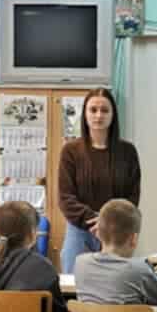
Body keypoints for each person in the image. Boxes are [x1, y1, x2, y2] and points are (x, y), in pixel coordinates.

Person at [57, 88, 141, 273]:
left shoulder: (128, 152)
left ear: (113, 115)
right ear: (85, 114)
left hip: (116, 232)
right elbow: (65, 197)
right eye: (93, 110)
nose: (98, 115)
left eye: (104, 110)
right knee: (74, 283)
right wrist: (95, 221)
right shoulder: (71, 151)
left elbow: (132, 197)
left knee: (113, 284)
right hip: (79, 230)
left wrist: (108, 222)